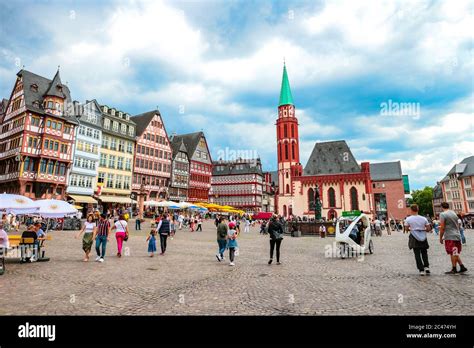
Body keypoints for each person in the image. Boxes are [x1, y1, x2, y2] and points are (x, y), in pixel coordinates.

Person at [439, 202, 467, 274]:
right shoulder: (453, 213)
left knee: (453, 252)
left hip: (449, 236)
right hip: (456, 235)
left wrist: (441, 237)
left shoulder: (443, 214)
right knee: (455, 252)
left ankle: (454, 269)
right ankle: (462, 266)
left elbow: (442, 227)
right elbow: (457, 225)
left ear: (442, 207)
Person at [404, 204, 432, 276]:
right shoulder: (424, 218)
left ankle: (421, 270)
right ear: (418, 209)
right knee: (424, 253)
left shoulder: (408, 219)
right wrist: (423, 230)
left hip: (414, 237)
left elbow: (406, 229)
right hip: (423, 237)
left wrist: (412, 229)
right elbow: (428, 229)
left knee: (417, 254)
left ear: (411, 210)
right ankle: (426, 267)